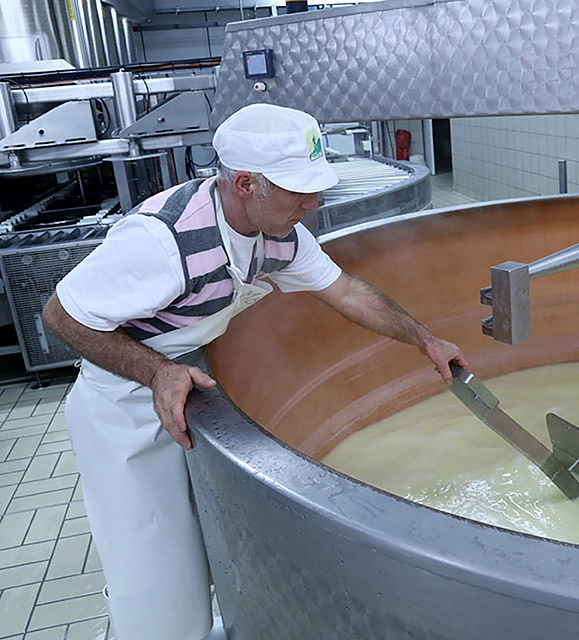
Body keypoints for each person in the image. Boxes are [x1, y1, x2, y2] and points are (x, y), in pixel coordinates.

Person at [42, 104, 468, 640]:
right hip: (122, 411)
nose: (313, 205)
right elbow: (60, 314)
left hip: (183, 390)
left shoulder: (279, 235)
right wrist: (156, 373)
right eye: (298, 191)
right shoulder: (163, 240)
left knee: (202, 542)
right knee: (152, 566)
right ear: (245, 183)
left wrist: (426, 341)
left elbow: (349, 294)